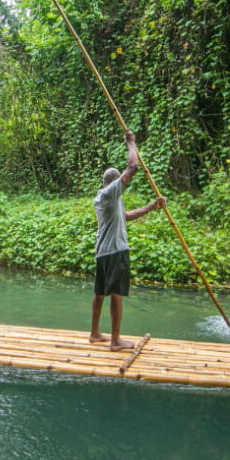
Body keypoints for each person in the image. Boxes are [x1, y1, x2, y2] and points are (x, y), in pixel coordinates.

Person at [90, 130, 166, 351]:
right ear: (114, 184)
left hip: (103, 251)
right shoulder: (110, 194)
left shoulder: (105, 198)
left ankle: (95, 333)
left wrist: (153, 206)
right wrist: (131, 143)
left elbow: (127, 216)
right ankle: (115, 341)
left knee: (100, 293)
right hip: (115, 251)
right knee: (116, 294)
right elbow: (133, 167)